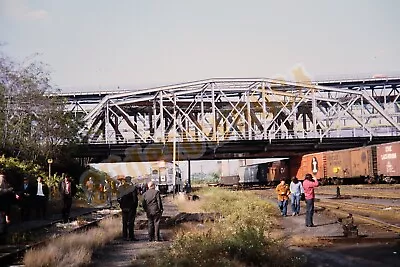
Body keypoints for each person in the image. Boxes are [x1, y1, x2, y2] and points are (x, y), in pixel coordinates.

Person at [117, 176, 138, 241]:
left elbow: (118, 198)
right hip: (131, 207)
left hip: (124, 207)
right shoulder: (133, 188)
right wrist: (135, 206)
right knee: (131, 222)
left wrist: (121, 204)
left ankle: (124, 236)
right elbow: (135, 199)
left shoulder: (120, 188)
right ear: (130, 180)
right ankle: (131, 236)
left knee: (124, 222)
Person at [0, 173, 19, 243]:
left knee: (3, 224)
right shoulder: (6, 189)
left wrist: (15, 195)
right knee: (2, 224)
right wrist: (9, 190)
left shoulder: (7, 186)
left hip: (5, 208)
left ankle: (3, 240)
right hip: (2, 208)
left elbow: (11, 196)